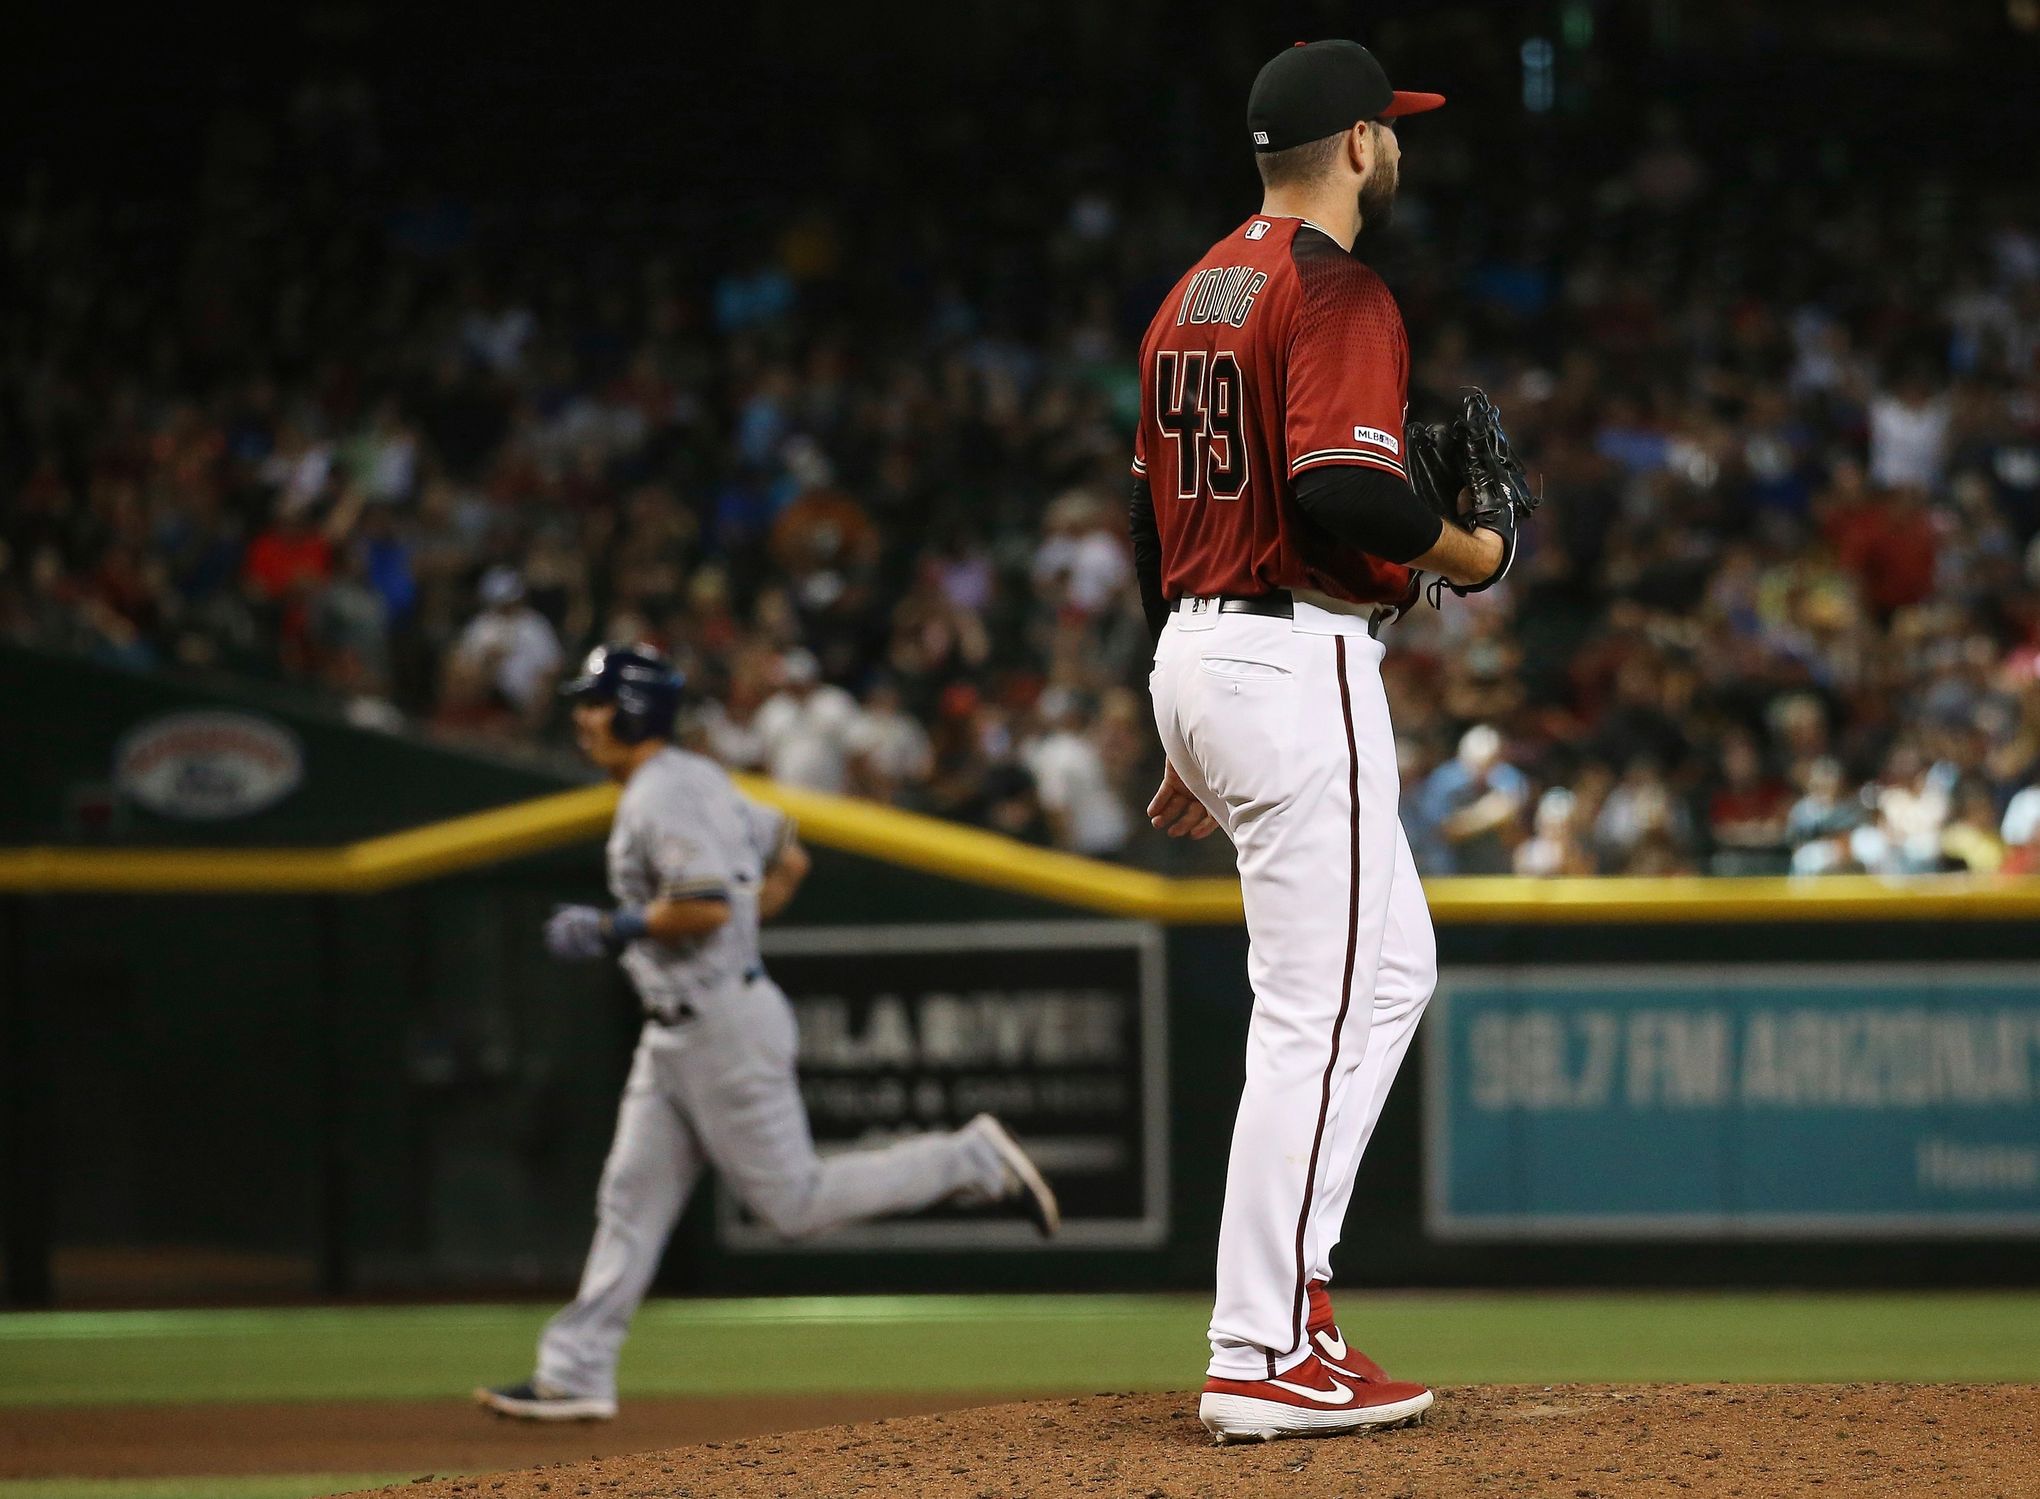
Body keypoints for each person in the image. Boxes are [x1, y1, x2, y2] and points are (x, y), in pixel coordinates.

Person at [1131, 40, 1527, 1443]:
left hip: (1206, 639)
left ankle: (1292, 1291)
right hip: (1290, 657)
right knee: (1312, 1005)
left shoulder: (1194, 290)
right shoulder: (1334, 283)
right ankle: (1261, 1346)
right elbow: (1344, 477)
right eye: (1392, 129)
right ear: (1357, 146)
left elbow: (1154, 508)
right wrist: (1468, 552)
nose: (1398, 146)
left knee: (1391, 967)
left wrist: (1183, 707)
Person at [477, 644, 1057, 1422]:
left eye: (595, 700)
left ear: (632, 707)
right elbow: (789, 857)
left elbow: (708, 902)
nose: (583, 716)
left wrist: (616, 924)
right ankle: (576, 1368)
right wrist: (736, 922)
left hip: (718, 1021)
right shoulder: (697, 778)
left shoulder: (660, 795)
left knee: (794, 1202)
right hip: (683, 1027)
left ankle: (971, 1158)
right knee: (630, 1197)